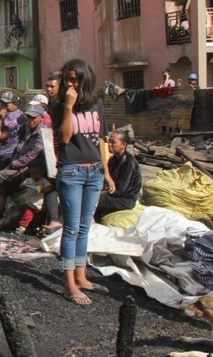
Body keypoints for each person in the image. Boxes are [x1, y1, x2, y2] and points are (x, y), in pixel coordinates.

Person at [52, 58, 113, 305]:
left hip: (94, 171)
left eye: (74, 79)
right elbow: (65, 138)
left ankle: (82, 276)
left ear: (85, 79)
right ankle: (69, 284)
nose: (70, 83)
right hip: (71, 172)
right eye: (67, 78)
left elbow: (100, 141)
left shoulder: (97, 102)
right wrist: (68, 107)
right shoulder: (58, 105)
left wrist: (106, 172)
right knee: (71, 228)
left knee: (86, 227)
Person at [0, 104, 47, 231]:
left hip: (31, 171)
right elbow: (20, 148)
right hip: (19, 165)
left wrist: (14, 165)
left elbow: (31, 156)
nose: (30, 120)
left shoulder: (41, 134)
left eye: (33, 118)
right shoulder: (28, 129)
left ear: (41, 118)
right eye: (29, 117)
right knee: (3, 187)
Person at [94, 129, 142, 222]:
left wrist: (102, 192)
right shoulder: (113, 159)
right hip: (113, 195)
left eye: (113, 142)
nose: (110, 145)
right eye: (109, 142)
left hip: (125, 200)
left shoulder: (128, 162)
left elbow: (121, 190)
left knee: (94, 198)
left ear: (123, 145)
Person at [16, 164, 54, 235]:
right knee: (26, 216)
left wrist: (42, 189)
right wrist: (24, 186)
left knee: (41, 219)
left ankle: (38, 228)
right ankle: (22, 227)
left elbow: (49, 187)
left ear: (42, 172)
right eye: (33, 173)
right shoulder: (28, 180)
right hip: (30, 203)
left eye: (38, 173)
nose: (36, 175)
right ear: (30, 172)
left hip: (41, 205)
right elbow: (21, 186)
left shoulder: (43, 181)